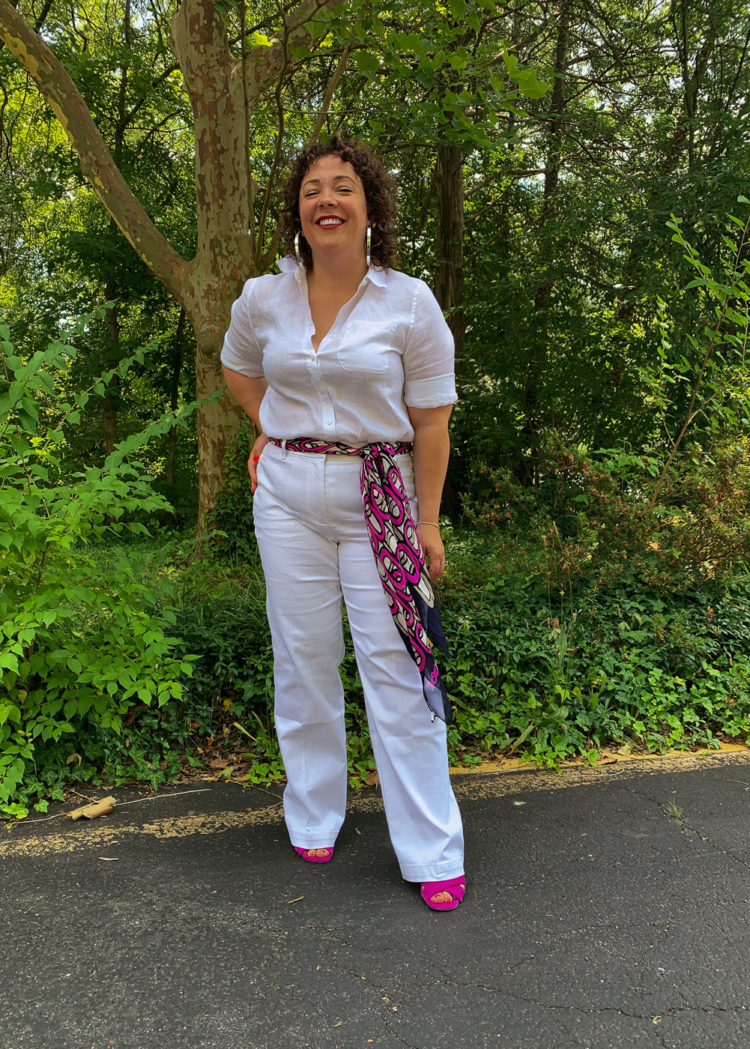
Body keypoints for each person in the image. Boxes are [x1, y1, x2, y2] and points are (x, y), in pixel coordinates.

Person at [220, 137, 465, 911]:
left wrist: (427, 523)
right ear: (298, 210)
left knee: (398, 669)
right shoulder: (266, 296)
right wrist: (276, 424)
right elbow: (236, 365)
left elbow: (432, 422)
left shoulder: (408, 301)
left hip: (381, 501)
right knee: (303, 660)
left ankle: (432, 850)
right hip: (287, 495)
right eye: (312, 189)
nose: (326, 199)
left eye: (343, 188)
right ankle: (313, 809)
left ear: (369, 208)